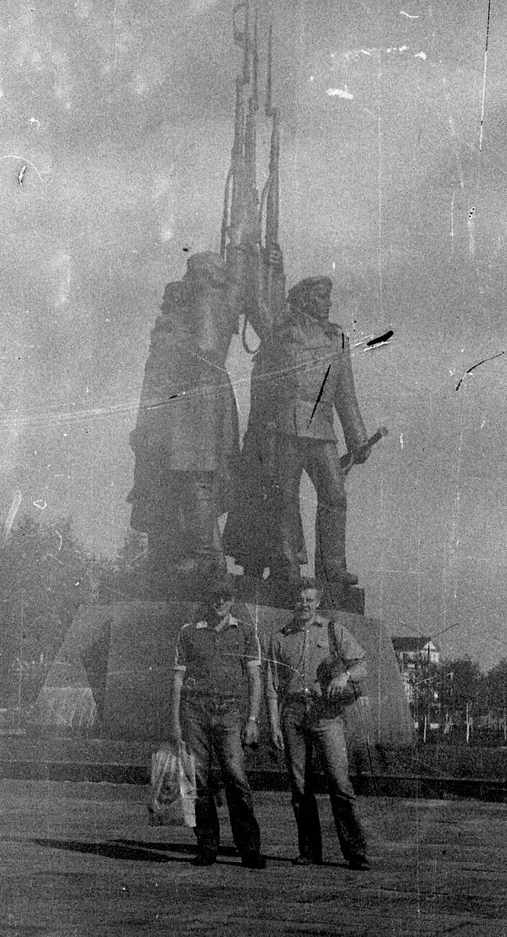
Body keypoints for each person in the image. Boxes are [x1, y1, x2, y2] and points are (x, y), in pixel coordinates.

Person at [225, 274, 371, 587]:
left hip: (321, 430)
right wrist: (267, 267)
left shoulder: (337, 339)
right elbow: (259, 306)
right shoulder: (282, 332)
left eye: (328, 297)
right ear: (304, 299)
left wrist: (357, 438)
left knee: (335, 495)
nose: (327, 303)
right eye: (320, 297)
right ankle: (286, 564)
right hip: (285, 428)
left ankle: (333, 569)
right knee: (284, 500)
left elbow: (346, 393)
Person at [127, 252, 242, 576]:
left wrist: (174, 343)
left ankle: (207, 557)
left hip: (195, 406)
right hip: (186, 407)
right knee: (180, 482)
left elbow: (206, 348)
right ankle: (189, 555)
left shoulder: (206, 299)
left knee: (196, 481)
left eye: (193, 274)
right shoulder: (206, 302)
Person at [266, 577, 371, 870]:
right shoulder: (279, 637)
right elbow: (272, 686)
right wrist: (274, 725)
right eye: (300, 600)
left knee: (339, 782)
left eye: (310, 600)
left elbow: (362, 664)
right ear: (293, 602)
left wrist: (344, 676)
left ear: (318, 602)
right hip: (293, 714)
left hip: (325, 714)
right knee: (300, 787)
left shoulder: (333, 630)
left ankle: (356, 852)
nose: (304, 605)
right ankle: (309, 851)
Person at [170, 578, 266, 868]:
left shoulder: (246, 632)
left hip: (230, 714)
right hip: (194, 712)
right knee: (197, 780)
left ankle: (249, 848)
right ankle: (207, 845)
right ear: (207, 599)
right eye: (215, 596)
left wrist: (252, 718)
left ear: (233, 600)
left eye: (225, 597)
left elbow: (254, 678)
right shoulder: (189, 633)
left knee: (236, 778)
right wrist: (175, 722)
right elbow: (177, 680)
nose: (220, 602)